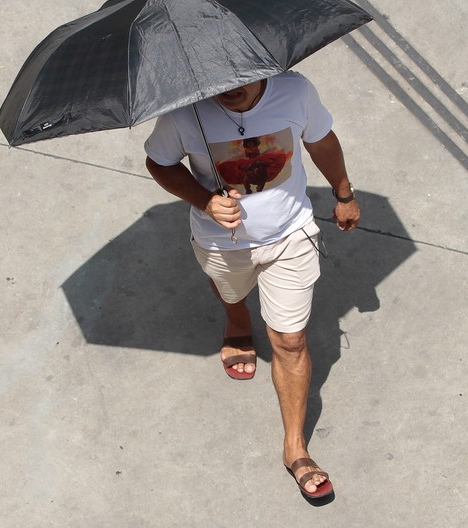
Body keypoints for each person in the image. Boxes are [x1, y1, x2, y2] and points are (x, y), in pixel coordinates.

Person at [143, 71, 360, 500]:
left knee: (291, 341)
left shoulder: (295, 91)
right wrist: (203, 200)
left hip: (292, 237)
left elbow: (321, 141)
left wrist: (343, 193)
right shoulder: (183, 114)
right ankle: (236, 319)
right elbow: (159, 162)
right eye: (215, 80)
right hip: (221, 243)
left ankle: (295, 448)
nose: (229, 88)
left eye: (239, 77)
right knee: (231, 293)